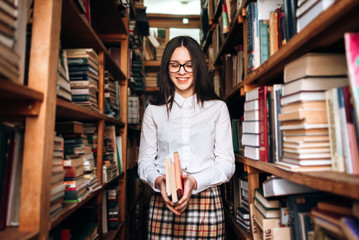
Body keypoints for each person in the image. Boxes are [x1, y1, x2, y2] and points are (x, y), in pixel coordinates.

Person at [137, 35, 235, 239]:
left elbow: (226, 165)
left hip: (207, 200)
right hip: (164, 200)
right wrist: (158, 181)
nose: (182, 72)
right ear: (166, 68)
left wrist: (194, 181)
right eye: (175, 65)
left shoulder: (218, 108)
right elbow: (144, 162)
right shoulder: (153, 111)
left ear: (198, 67)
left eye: (188, 65)